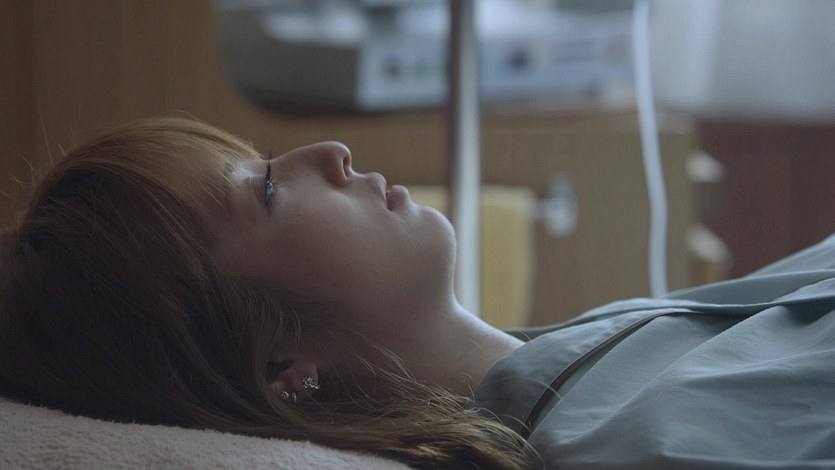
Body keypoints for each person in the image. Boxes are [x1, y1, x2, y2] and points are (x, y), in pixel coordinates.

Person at [2, 117, 835, 469]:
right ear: (282, 364)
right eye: (266, 190)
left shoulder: (598, 344)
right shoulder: (640, 440)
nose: (328, 153)